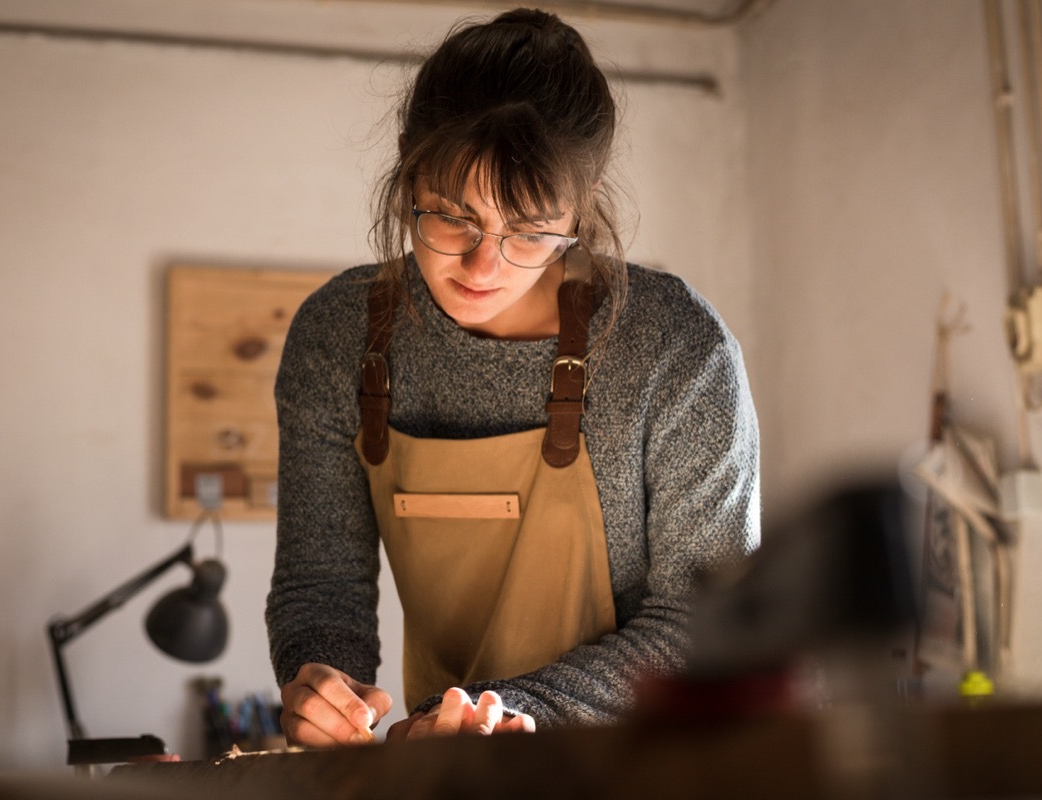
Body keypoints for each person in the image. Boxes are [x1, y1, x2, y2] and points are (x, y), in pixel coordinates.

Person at [266, 7, 760, 746]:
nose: (483, 265)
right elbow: (320, 584)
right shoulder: (339, 338)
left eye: (529, 232)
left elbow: (709, 623)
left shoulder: (673, 348)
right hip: (448, 764)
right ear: (407, 168)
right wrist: (325, 687)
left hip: (654, 765)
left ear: (580, 206)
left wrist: (512, 712)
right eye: (452, 218)